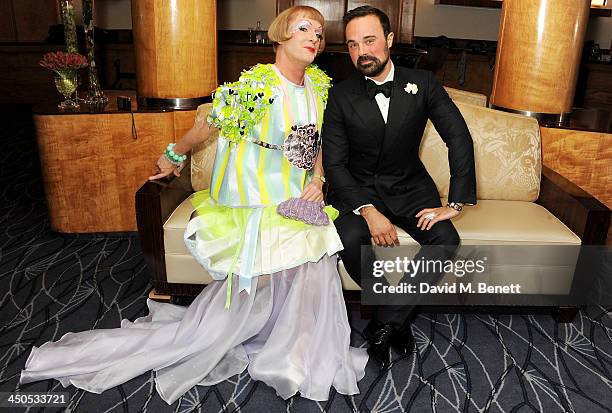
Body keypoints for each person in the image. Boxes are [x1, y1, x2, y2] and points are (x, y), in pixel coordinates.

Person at [20, 6, 367, 404]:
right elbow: (207, 125)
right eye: (303, 28)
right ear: (280, 36)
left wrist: (319, 181)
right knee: (294, 249)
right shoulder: (256, 86)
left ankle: (299, 345)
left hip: (298, 189)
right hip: (256, 194)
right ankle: (272, 339)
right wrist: (174, 154)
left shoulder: (319, 86)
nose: (314, 38)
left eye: (320, 33)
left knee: (316, 246)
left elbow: (321, 141)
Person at [322, 6, 476, 369]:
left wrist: (455, 202)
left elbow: (459, 137)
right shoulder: (341, 95)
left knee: (446, 240)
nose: (362, 52)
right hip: (358, 190)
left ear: (389, 40)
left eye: (370, 40)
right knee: (347, 233)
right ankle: (398, 316)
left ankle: (387, 321)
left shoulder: (423, 83)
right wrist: (368, 210)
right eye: (353, 44)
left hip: (410, 188)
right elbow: (336, 164)